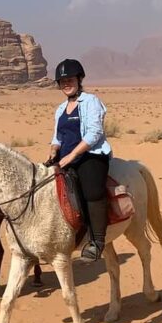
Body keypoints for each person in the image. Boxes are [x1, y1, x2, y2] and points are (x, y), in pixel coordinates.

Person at [46, 59, 112, 262]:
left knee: (91, 192)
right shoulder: (60, 109)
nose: (67, 84)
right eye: (63, 81)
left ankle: (97, 241)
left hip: (90, 155)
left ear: (79, 79)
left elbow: (94, 133)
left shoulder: (90, 101)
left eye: (70, 80)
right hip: (65, 157)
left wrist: (73, 155)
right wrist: (54, 148)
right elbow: (58, 136)